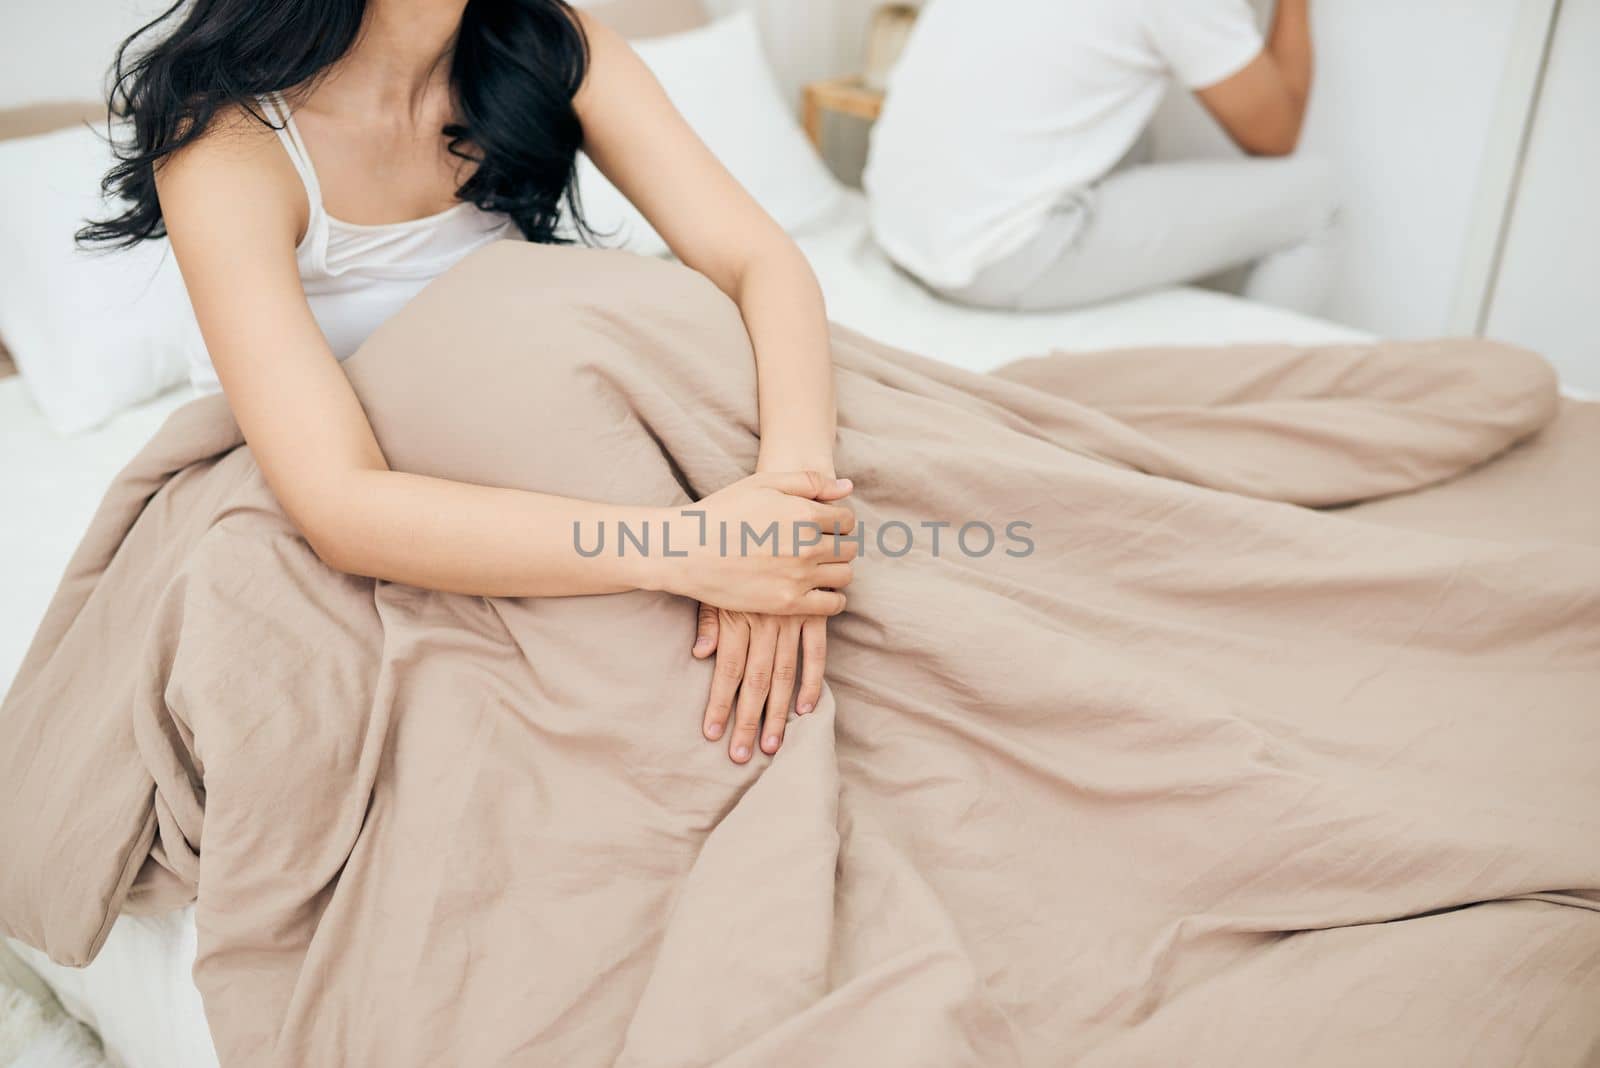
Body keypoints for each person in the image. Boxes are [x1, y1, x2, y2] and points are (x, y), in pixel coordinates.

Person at [81, 0, 855, 766]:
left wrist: (785, 506)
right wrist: (688, 549)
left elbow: (761, 260)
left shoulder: (548, 44)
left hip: (563, 437)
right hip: (386, 510)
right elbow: (339, 506)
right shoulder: (227, 137)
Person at [864, 0, 1335, 314]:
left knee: (1129, 129)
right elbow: (1276, 136)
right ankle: (1270, 387)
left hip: (902, 230)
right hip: (987, 258)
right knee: (1319, 194)